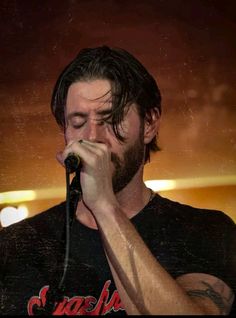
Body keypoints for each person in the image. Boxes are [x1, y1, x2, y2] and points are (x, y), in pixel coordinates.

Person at [0, 46, 235, 316]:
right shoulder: (15, 244)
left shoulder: (204, 230)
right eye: (77, 122)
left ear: (149, 124)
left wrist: (104, 205)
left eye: (111, 120)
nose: (93, 136)